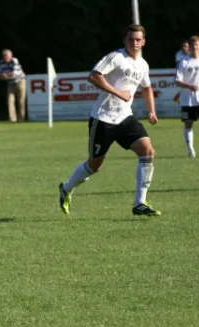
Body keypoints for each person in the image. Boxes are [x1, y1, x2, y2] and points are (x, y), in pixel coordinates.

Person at [58, 24, 160, 217]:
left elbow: (146, 88)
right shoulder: (116, 57)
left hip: (125, 118)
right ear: (124, 40)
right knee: (94, 165)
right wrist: (118, 92)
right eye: (131, 39)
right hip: (103, 119)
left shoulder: (143, 65)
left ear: (144, 41)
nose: (134, 43)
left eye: (138, 39)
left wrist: (152, 111)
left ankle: (140, 203)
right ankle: (66, 188)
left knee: (147, 151)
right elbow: (94, 76)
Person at [175, 35, 199, 158]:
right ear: (189, 47)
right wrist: (189, 86)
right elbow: (177, 80)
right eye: (192, 45)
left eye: (197, 45)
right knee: (188, 123)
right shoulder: (183, 62)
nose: (195, 47)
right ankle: (190, 150)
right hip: (187, 100)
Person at [0, 49, 26, 122]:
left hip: (20, 82)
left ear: (11, 56)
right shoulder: (1, 62)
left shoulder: (15, 61)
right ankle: (13, 119)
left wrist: (4, 75)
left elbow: (13, 73)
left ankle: (21, 119)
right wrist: (2, 74)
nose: (6, 58)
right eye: (5, 57)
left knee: (21, 101)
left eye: (8, 57)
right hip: (10, 83)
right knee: (10, 101)